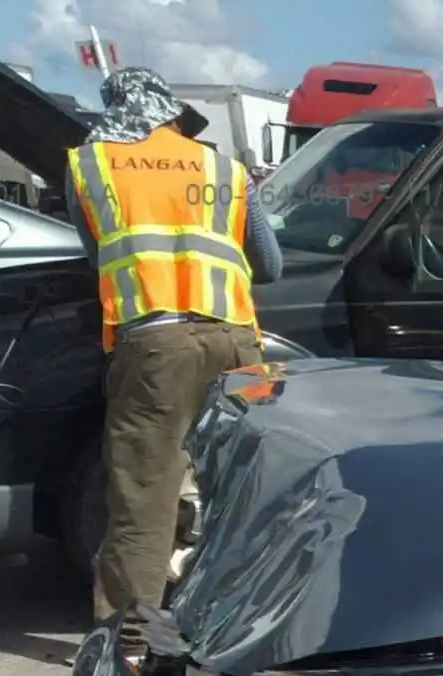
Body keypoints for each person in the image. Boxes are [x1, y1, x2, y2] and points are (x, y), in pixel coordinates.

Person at [64, 67, 283, 627]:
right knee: (238, 489)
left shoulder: (91, 165)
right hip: (237, 342)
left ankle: (130, 641)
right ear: (171, 112)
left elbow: (98, 256)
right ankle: (248, 621)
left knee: (144, 497)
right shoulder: (223, 167)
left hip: (157, 345)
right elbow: (271, 265)